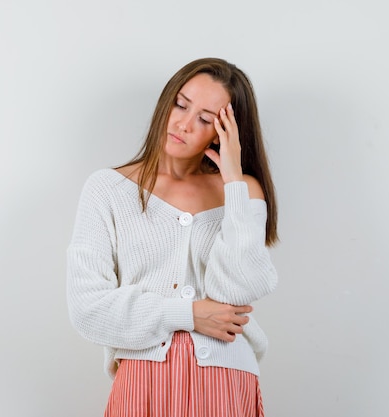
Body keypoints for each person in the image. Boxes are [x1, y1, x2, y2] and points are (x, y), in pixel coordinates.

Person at [67, 57, 279, 417]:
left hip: (226, 379)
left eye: (206, 119)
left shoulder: (242, 192)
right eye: (181, 104)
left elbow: (236, 291)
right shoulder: (107, 190)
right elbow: (89, 309)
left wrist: (234, 182)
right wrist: (188, 313)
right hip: (143, 381)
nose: (183, 123)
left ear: (224, 132)